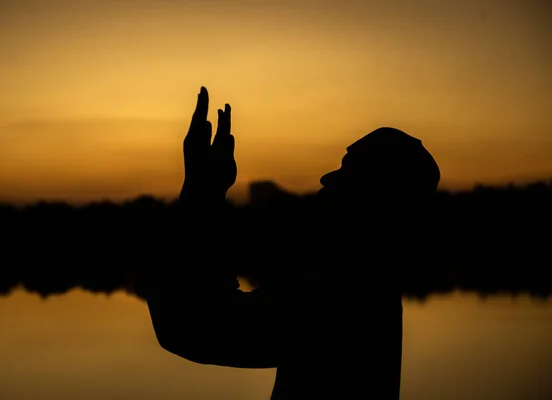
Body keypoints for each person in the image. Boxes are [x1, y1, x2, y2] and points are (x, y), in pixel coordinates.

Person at [145, 86, 440, 399]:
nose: (328, 177)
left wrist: (200, 193)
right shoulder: (366, 291)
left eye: (347, 169)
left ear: (378, 198)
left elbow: (188, 327)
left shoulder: (339, 302)